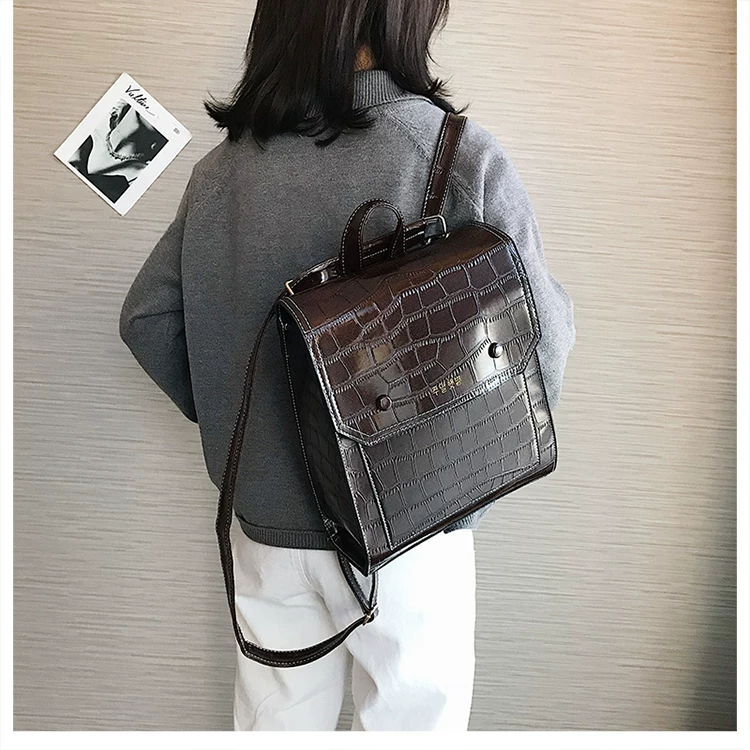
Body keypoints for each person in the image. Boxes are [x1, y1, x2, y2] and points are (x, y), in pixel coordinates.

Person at [118, 0, 576, 732]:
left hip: (268, 533)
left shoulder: (220, 174)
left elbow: (147, 320)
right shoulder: (456, 157)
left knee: (273, 729)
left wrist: (246, 424)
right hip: (413, 526)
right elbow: (542, 344)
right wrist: (461, 498)